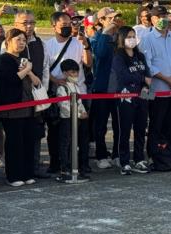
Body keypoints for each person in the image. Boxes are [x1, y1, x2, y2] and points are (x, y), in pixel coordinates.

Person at [141, 5, 171, 166]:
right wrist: (165, 78)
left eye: (165, 16)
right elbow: (147, 64)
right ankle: (155, 155)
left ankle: (170, 154)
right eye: (159, 17)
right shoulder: (147, 39)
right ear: (153, 19)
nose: (163, 20)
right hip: (158, 89)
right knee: (157, 123)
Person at [45, 11, 92, 175]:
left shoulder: (78, 42)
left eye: (69, 24)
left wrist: (86, 45)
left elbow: (88, 63)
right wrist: (55, 80)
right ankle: (56, 163)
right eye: (63, 25)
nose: (67, 27)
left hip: (80, 92)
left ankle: (83, 163)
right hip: (59, 94)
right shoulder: (48, 45)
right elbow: (45, 70)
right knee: (56, 132)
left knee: (82, 132)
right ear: (54, 26)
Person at [0, 28, 40, 187]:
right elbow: (10, 81)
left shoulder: (24, 59)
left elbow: (37, 82)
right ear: (8, 42)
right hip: (12, 108)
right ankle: (13, 175)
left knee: (28, 141)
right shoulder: (3, 60)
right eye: (18, 40)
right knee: (14, 143)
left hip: (28, 107)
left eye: (23, 40)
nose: (22, 43)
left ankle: (27, 173)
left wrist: (29, 71)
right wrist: (26, 70)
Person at [112, 26, 152, 175]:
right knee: (125, 129)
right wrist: (142, 79)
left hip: (143, 96)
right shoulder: (118, 56)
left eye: (133, 36)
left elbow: (147, 73)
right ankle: (124, 161)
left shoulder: (140, 56)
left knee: (141, 128)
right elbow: (124, 76)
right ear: (122, 39)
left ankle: (139, 159)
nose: (132, 39)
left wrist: (145, 84)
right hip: (125, 97)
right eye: (129, 36)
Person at [90, 7, 122, 169]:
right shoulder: (96, 38)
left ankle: (117, 153)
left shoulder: (121, 37)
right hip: (102, 88)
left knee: (120, 124)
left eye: (116, 17)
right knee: (100, 124)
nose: (114, 20)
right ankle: (101, 155)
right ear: (101, 20)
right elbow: (100, 55)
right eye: (110, 18)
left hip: (119, 89)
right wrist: (105, 33)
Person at [53, 59, 91, 181]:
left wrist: (83, 111)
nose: (75, 75)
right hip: (66, 120)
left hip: (77, 119)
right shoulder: (61, 88)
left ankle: (76, 168)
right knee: (65, 145)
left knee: (76, 144)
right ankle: (65, 169)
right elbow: (63, 107)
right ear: (64, 73)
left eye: (76, 72)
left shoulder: (76, 86)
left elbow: (79, 102)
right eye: (72, 72)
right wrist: (79, 115)